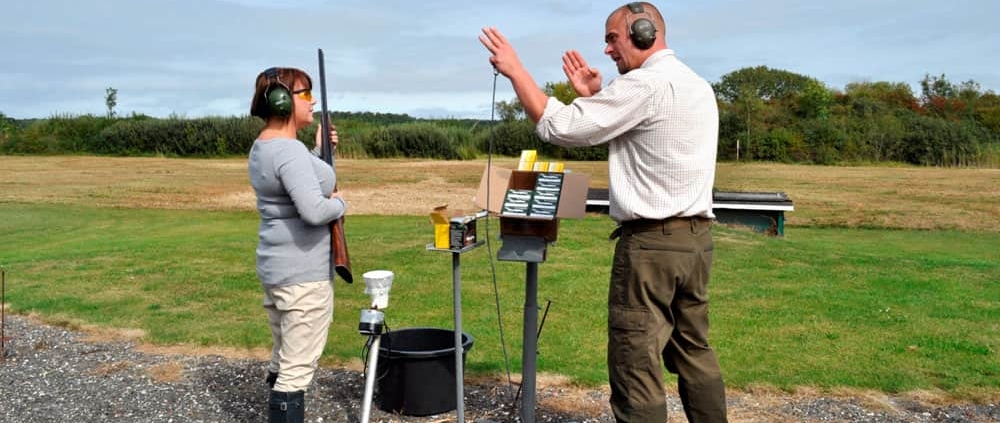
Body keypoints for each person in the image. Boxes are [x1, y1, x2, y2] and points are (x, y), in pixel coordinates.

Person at [480, 3, 727, 422]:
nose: (607, 50)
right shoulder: (696, 84)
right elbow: (642, 134)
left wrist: (515, 70)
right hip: (696, 243)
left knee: (636, 361)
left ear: (643, 32)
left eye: (613, 39)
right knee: (693, 352)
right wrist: (595, 97)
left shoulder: (643, 85)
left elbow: (559, 126)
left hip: (651, 247)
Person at [248, 66, 346, 423]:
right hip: (303, 277)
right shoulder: (288, 151)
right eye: (305, 93)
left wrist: (318, 151)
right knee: (295, 371)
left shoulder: (265, 146)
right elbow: (314, 210)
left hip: (278, 271)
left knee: (283, 358)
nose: (313, 101)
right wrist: (341, 203)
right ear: (282, 100)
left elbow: (297, 180)